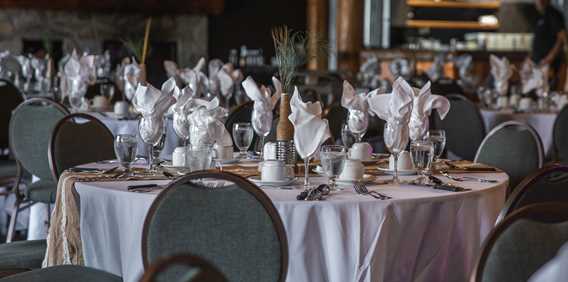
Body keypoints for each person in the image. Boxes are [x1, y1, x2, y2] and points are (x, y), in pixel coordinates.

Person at [532, 0, 567, 71]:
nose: (538, 1)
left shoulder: (552, 14)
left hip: (548, 65)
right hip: (539, 64)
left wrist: (549, 58)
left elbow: (562, 37)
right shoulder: (541, 16)